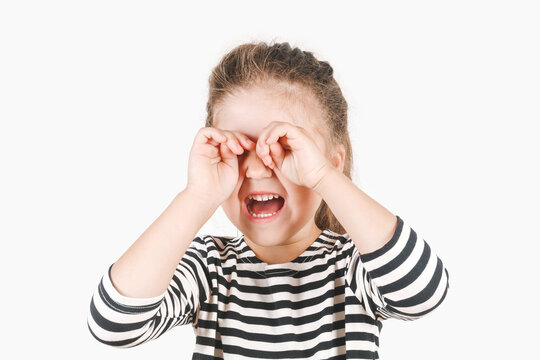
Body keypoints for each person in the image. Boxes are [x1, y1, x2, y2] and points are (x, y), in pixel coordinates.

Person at [87, 41, 450, 359]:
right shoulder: (210, 269)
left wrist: (325, 178)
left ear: (330, 162)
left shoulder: (352, 266)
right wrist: (197, 196)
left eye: (284, 147)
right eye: (239, 149)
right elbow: (114, 325)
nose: (258, 169)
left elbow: (423, 294)